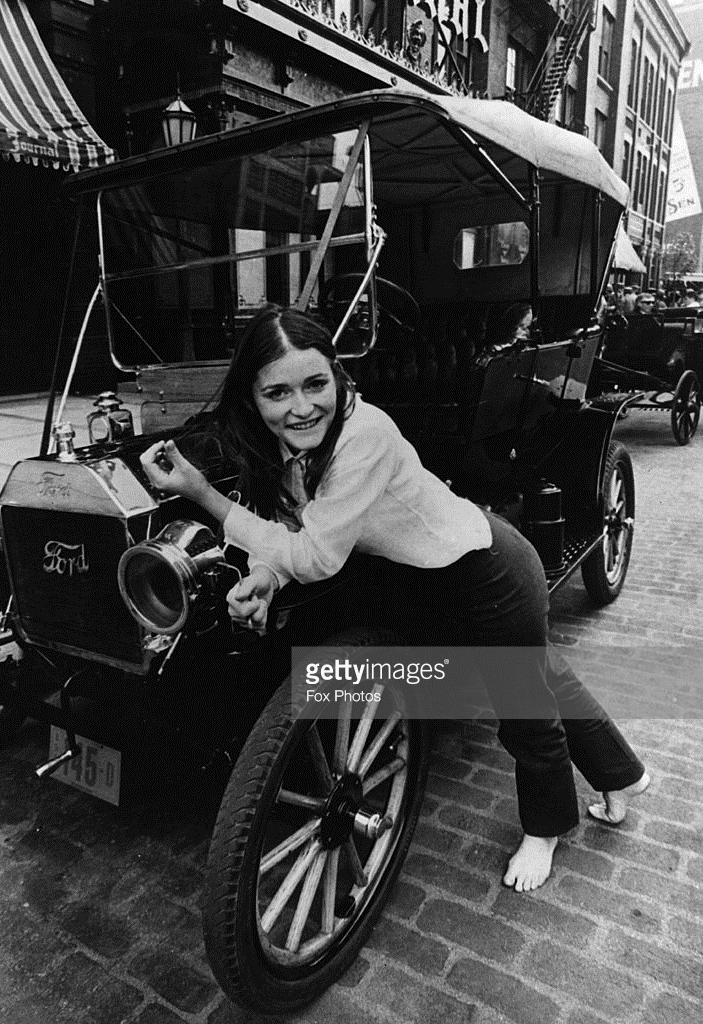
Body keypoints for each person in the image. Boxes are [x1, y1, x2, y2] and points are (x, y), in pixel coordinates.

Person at [140, 304, 649, 893]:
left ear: (338, 375)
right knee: (542, 676)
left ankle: (546, 830)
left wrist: (204, 495)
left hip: (486, 574)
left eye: (315, 384)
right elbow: (284, 523)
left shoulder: (366, 434)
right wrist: (265, 575)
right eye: (277, 391)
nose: (300, 406)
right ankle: (623, 774)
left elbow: (315, 556)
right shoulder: (279, 440)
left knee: (525, 703)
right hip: (418, 578)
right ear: (252, 396)